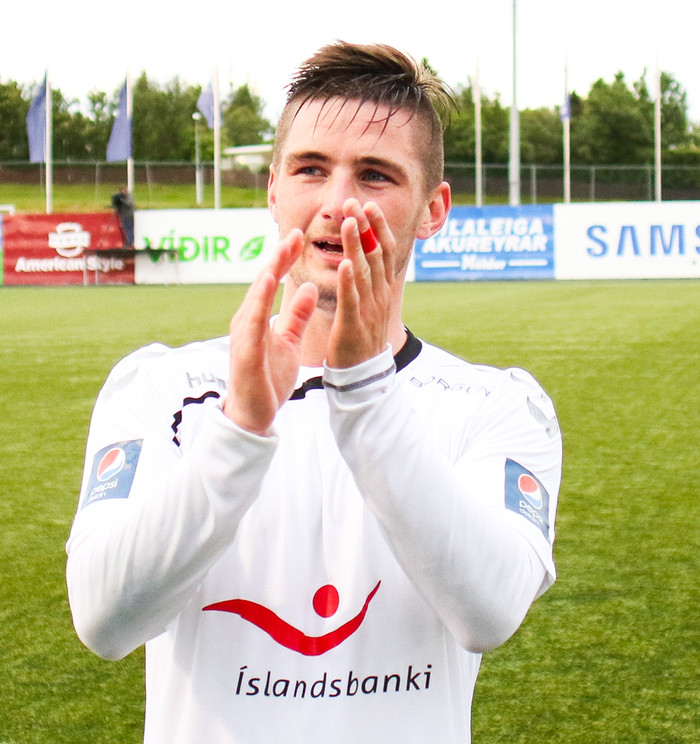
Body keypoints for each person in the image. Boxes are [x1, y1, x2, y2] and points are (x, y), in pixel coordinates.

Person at [66, 41, 562, 744]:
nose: (338, 204)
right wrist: (239, 432)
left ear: (433, 209)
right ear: (274, 189)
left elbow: (490, 612)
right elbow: (104, 620)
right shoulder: (161, 388)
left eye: (376, 175)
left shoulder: (497, 406)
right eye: (311, 169)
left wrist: (366, 393)